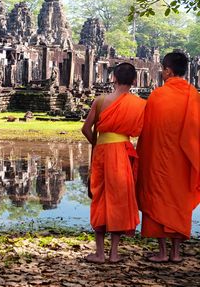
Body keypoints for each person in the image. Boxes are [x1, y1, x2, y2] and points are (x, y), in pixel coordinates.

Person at [136, 51, 200, 262]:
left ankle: (162, 252)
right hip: (183, 162)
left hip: (158, 160)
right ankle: (175, 253)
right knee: (178, 202)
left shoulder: (158, 95)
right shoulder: (194, 96)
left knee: (157, 200)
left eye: (163, 69)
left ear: (168, 71)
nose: (162, 73)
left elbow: (148, 131)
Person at [82, 62, 146, 263]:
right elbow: (139, 130)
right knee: (119, 198)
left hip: (102, 152)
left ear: (113, 78)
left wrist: (99, 142)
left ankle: (99, 253)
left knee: (100, 197)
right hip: (122, 152)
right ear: (134, 80)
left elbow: (86, 129)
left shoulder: (100, 101)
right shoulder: (139, 104)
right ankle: (114, 253)